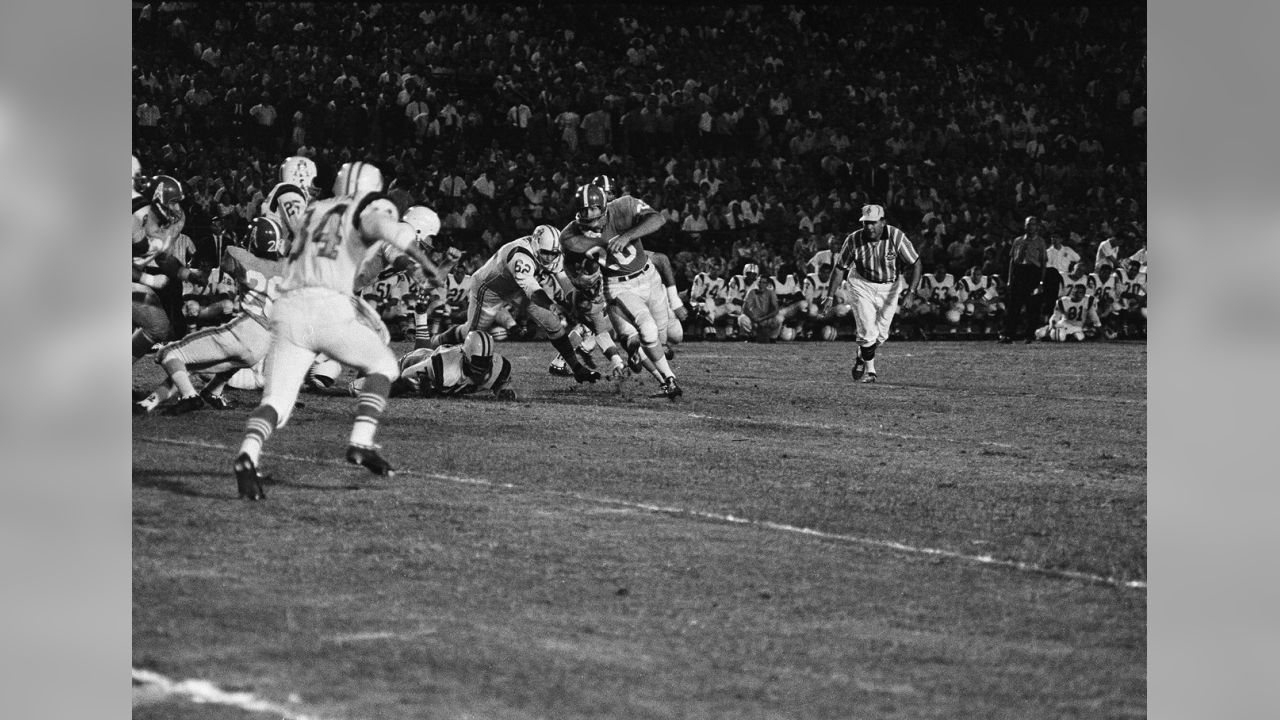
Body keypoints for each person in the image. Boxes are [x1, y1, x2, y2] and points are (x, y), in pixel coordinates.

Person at [232, 161, 445, 500]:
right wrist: (427, 265)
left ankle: (247, 454)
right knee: (385, 365)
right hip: (328, 304)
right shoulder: (370, 206)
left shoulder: (314, 208)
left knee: (277, 402)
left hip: (288, 307)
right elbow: (390, 231)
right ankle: (360, 441)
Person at [135, 216, 288, 415]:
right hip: (265, 342)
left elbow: (226, 266)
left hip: (244, 330)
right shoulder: (287, 268)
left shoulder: (237, 254)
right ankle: (150, 403)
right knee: (188, 365)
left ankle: (190, 396)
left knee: (169, 353)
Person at [427, 224, 601, 384]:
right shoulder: (520, 256)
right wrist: (554, 306)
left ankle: (576, 368)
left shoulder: (551, 251)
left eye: (553, 254)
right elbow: (534, 292)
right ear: (535, 245)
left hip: (517, 289)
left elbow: (565, 282)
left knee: (553, 323)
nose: (549, 258)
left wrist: (575, 303)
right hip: (490, 289)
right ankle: (437, 341)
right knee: (472, 335)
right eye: (546, 253)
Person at [561, 183, 682, 399]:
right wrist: (578, 280)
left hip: (649, 276)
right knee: (647, 327)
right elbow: (568, 262)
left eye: (594, 209)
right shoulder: (570, 236)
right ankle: (669, 381)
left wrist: (627, 235)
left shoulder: (624, 206)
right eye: (583, 210)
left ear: (605, 206)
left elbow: (658, 219)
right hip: (617, 285)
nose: (589, 215)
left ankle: (638, 352)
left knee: (672, 336)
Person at [827, 204, 922, 382]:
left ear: (883, 222)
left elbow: (916, 263)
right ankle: (871, 372)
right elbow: (840, 268)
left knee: (881, 335)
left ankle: (861, 355)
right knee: (867, 330)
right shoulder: (853, 239)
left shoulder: (896, 236)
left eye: (873, 223)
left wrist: (911, 292)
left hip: (890, 287)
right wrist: (830, 296)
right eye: (865, 223)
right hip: (861, 283)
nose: (869, 227)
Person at [351, 330, 517, 400]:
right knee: (360, 388)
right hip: (415, 360)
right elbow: (407, 374)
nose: (482, 367)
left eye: (485, 361)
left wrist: (503, 391)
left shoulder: (498, 367)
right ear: (465, 356)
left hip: (434, 357)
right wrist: (422, 385)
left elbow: (502, 384)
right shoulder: (444, 367)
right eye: (478, 361)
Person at [1000, 216, 1048, 344]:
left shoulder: (1040, 242)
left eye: (1033, 224)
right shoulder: (1018, 241)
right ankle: (1009, 334)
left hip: (1032, 272)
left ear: (1037, 227)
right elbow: (1012, 260)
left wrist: (1041, 282)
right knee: (1013, 306)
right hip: (1019, 271)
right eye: (1028, 224)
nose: (1030, 227)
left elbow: (1043, 263)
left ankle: (1029, 334)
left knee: (1032, 306)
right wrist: (1010, 279)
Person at [1034, 283, 1100, 342]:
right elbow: (1056, 315)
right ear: (1072, 292)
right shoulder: (1063, 301)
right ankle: (1049, 332)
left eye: (1080, 292)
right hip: (1064, 324)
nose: (1076, 294)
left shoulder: (1088, 300)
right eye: (1075, 292)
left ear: (1084, 294)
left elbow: (1093, 315)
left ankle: (1060, 336)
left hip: (1077, 327)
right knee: (1041, 333)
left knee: (1079, 337)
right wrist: (1052, 324)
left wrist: (1097, 325)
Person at [739, 269, 781, 342]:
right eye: (759, 282)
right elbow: (745, 308)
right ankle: (752, 336)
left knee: (779, 318)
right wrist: (754, 318)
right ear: (757, 283)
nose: (761, 285)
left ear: (767, 284)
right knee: (742, 318)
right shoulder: (751, 292)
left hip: (765, 318)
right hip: (754, 318)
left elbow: (776, 310)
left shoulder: (771, 293)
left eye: (764, 283)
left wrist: (762, 319)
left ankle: (773, 337)